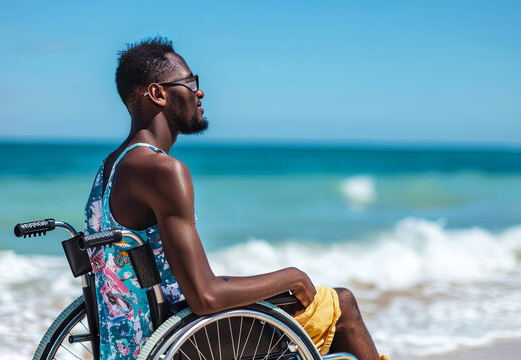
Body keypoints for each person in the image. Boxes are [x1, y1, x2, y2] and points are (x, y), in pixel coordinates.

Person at [85, 36, 385, 360]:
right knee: (343, 305)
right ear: (158, 93)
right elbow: (205, 297)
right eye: (189, 83)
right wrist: (293, 276)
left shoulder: (110, 168)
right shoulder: (164, 171)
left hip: (128, 341)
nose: (199, 92)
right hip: (182, 343)